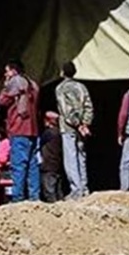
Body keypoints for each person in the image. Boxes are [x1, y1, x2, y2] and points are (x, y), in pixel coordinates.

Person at [0, 59, 40, 202]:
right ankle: (34, 197)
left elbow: (2, 101)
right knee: (32, 165)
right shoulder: (33, 84)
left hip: (19, 129)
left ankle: (18, 198)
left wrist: (5, 86)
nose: (5, 74)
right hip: (33, 130)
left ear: (13, 71)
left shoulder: (15, 81)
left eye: (7, 70)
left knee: (19, 165)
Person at [55, 61, 93, 199]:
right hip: (82, 128)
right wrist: (85, 123)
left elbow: (66, 110)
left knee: (71, 158)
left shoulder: (61, 88)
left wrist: (77, 124)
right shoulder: (81, 87)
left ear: (63, 72)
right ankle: (84, 188)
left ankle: (76, 190)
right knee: (81, 157)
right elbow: (88, 106)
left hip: (69, 127)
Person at [40, 111, 63, 203]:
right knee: (58, 190)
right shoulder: (60, 133)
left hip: (48, 165)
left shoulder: (49, 133)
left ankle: (53, 208)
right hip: (57, 165)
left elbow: (40, 143)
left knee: (49, 190)